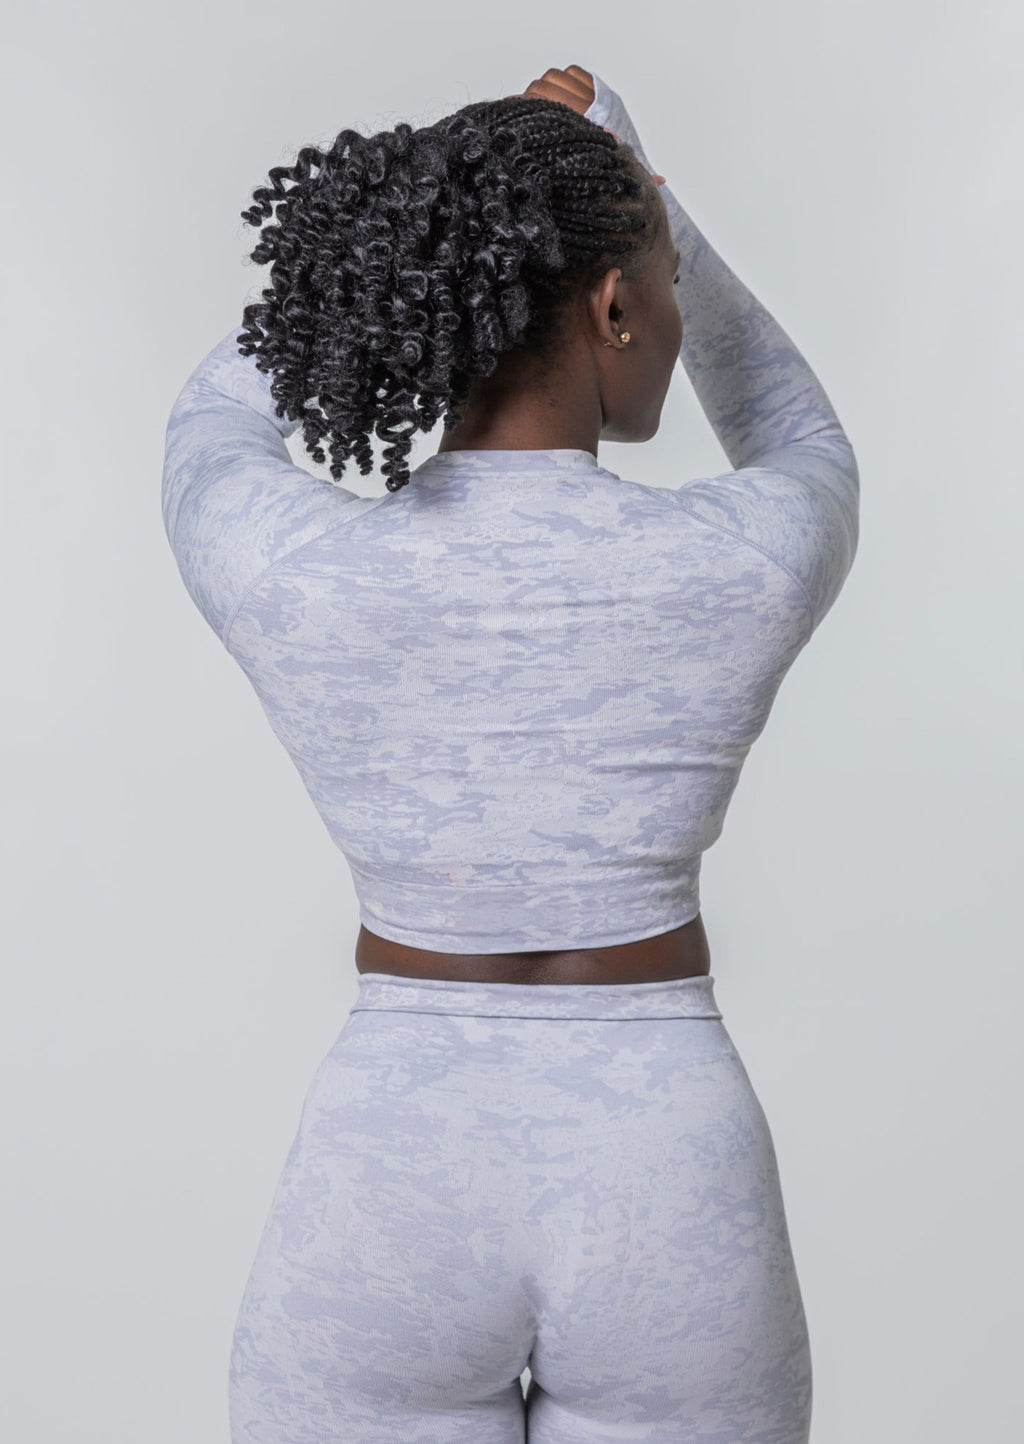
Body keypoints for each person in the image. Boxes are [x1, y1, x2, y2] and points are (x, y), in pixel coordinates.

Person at [162, 62, 858, 1444]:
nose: (667, 316)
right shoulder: (741, 560)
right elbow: (801, 431)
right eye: (658, 285)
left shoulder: (302, 570)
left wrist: (398, 227)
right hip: (663, 1170)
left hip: (392, 1173)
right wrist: (641, 186)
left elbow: (205, 428)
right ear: (614, 307)